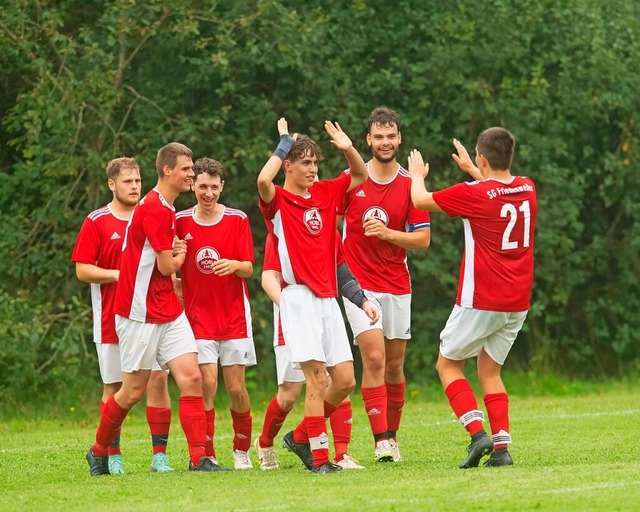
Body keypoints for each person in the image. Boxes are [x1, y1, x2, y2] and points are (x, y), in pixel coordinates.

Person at [407, 128, 537, 468]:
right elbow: (497, 191)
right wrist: (473, 170)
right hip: (517, 301)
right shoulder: (527, 187)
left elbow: (420, 201)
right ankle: (502, 449)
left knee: (447, 364)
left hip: (482, 298)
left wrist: (417, 176)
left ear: (482, 157)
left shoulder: (475, 193)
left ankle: (478, 433)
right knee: (490, 371)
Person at [86, 142, 216, 475]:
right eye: (187, 169)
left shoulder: (163, 207)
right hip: (138, 312)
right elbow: (164, 267)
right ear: (168, 170)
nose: (191, 174)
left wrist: (174, 253)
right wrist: (181, 255)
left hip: (167, 310)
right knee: (130, 391)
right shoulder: (157, 209)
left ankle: (198, 457)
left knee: (191, 377)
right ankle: (99, 449)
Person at [257, 117, 368, 473]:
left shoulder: (324, 194)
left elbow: (360, 175)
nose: (312, 169)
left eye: (315, 163)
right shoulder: (279, 201)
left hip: (326, 299)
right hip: (298, 299)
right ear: (288, 164)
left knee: (346, 380)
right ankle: (321, 460)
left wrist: (348, 147)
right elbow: (262, 179)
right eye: (305, 162)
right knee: (316, 379)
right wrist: (284, 142)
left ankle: (301, 437)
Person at [338, 106, 431, 462]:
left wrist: (389, 233)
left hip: (397, 284)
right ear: (368, 140)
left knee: (394, 366)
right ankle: (380, 442)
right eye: (379, 137)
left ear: (399, 139)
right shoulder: (351, 180)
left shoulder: (410, 184)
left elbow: (422, 240)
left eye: (391, 136)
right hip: (360, 285)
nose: (385, 142)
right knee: (374, 358)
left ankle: (392, 435)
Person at [71, 157, 174, 474]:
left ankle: (160, 456)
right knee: (115, 386)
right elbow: (82, 269)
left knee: (158, 379)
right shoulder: (97, 221)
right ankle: (111, 454)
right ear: (111, 184)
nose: (134, 186)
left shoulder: (151, 214)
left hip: (152, 314)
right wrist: (120, 274)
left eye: (138, 181)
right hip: (112, 318)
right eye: (127, 181)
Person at [254, 231, 379, 470]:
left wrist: (362, 301)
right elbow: (268, 277)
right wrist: (292, 310)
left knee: (339, 380)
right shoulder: (282, 226)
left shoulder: (325, 225)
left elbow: (341, 272)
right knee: (289, 395)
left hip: (323, 311)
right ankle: (265, 442)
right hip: (293, 317)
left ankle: (332, 451)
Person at [175, 157, 256, 470]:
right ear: (193, 185)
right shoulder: (180, 220)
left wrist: (235, 265)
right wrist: (175, 282)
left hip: (233, 314)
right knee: (206, 383)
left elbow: (249, 267)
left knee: (236, 387)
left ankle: (241, 448)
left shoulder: (237, 219)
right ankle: (206, 453)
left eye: (214, 187)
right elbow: (168, 259)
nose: (208, 193)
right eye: (202, 186)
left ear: (222, 187)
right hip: (198, 318)